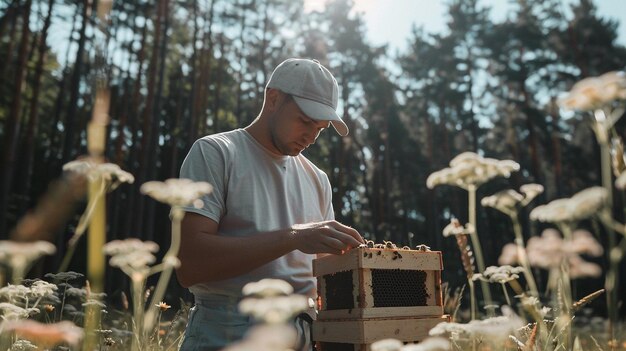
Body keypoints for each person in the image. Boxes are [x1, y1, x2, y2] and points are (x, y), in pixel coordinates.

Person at [176, 58, 365, 351]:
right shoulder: (216, 153)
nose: (311, 137)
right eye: (305, 121)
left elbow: (326, 283)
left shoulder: (318, 179)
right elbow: (189, 264)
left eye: (320, 128)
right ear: (273, 99)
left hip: (307, 336)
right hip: (228, 334)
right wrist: (296, 237)